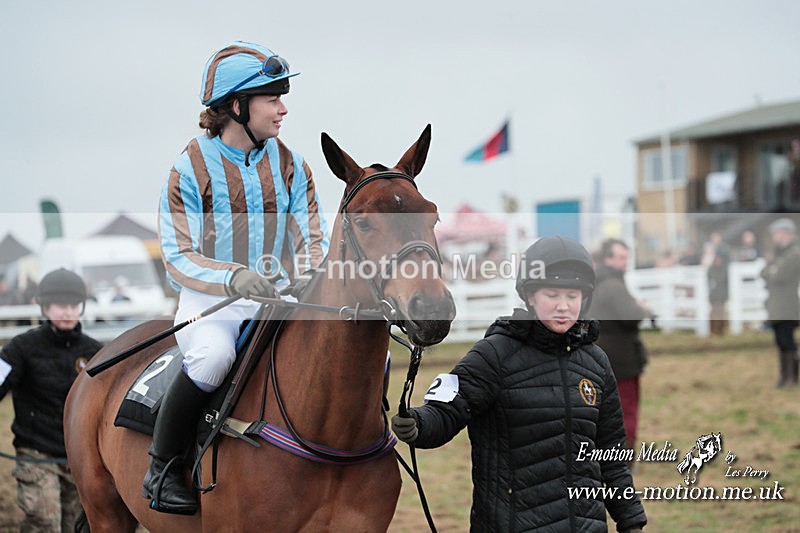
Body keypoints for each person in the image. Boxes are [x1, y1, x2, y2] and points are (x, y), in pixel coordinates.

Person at [145, 40, 329, 514]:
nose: (283, 109)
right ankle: (161, 467)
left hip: (283, 296)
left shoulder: (292, 165)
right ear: (236, 106)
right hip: (211, 302)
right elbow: (177, 254)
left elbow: (312, 237)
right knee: (211, 359)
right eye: (273, 98)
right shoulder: (189, 167)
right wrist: (234, 279)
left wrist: (308, 277)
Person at [392, 236, 647, 532]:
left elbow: (611, 455)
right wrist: (419, 423)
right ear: (529, 296)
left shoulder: (597, 362)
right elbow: (448, 409)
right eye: (552, 295)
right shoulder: (493, 354)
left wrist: (631, 520)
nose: (563, 306)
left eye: (572, 296)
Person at [0, 268, 102, 532]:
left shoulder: (95, 352)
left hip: (80, 456)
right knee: (44, 521)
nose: (67, 311)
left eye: (73, 305)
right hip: (36, 453)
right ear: (45, 307)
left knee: (77, 525)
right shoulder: (20, 348)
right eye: (59, 305)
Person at [588, 239, 651, 460]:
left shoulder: (594, 283)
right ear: (608, 259)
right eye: (621, 257)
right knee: (626, 410)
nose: (626, 262)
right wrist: (641, 308)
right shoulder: (613, 285)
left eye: (627, 257)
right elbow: (629, 317)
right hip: (622, 360)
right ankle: (624, 459)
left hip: (599, 356)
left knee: (603, 412)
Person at [760, 218, 800, 387]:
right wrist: (772, 269)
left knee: (787, 341)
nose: (774, 237)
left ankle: (792, 378)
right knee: (780, 341)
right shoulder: (779, 253)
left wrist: (772, 270)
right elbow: (764, 272)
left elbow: (779, 276)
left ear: (785, 233)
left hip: (787, 305)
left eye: (776, 233)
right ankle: (784, 377)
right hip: (776, 305)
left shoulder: (794, 253)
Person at [703, 232, 730, 336]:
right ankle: (713, 331)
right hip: (713, 295)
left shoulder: (724, 270)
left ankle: (720, 331)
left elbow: (726, 283)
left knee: (721, 312)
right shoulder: (711, 270)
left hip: (721, 294)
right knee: (713, 312)